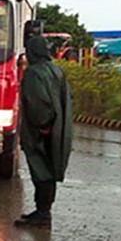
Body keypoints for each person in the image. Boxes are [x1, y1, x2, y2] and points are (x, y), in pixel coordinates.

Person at [15, 34, 73, 227]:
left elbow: (38, 104)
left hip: (41, 131)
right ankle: (43, 211)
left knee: (41, 171)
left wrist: (42, 126)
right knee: (49, 170)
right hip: (57, 128)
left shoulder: (34, 73)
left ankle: (42, 214)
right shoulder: (56, 70)